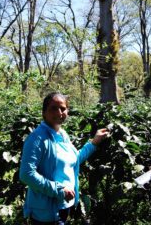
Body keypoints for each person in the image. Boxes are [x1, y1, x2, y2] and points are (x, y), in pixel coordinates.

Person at [19, 92, 109, 224]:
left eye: (63, 108)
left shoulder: (62, 134)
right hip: (47, 212)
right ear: (44, 112)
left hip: (64, 205)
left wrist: (94, 142)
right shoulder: (37, 138)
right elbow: (26, 174)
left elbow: (73, 159)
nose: (59, 112)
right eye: (53, 108)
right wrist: (59, 190)